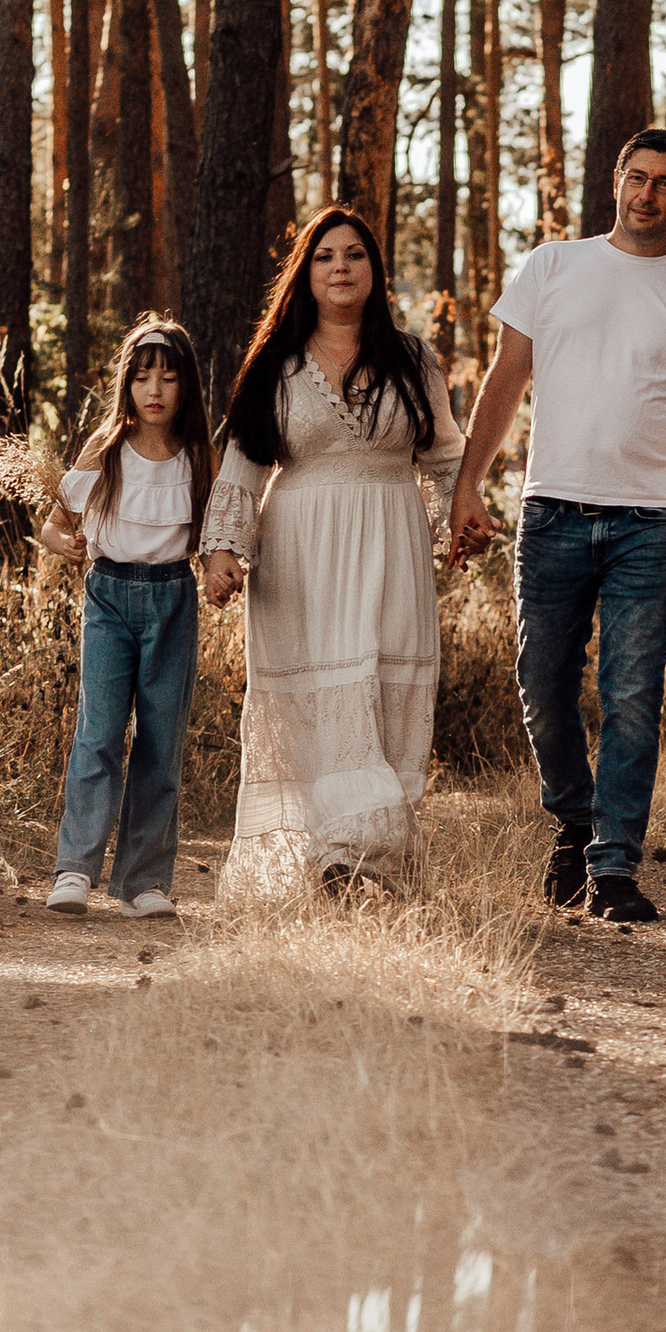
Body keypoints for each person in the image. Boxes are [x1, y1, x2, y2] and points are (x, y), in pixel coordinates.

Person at [449, 126, 666, 924]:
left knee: (629, 694)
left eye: (664, 183)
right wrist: (468, 487)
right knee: (543, 686)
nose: (646, 194)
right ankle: (573, 818)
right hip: (551, 511)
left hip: (649, 525)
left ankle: (614, 865)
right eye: (637, 177)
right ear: (617, 180)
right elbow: (505, 381)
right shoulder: (553, 265)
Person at [200, 205, 466, 895]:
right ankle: (334, 859)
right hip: (300, 554)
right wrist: (223, 549)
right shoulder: (275, 367)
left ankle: (363, 858)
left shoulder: (411, 359)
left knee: (379, 692)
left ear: (375, 272)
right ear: (306, 274)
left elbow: (444, 455)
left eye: (354, 255)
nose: (341, 267)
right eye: (325, 257)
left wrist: (460, 520)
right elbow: (242, 466)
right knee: (318, 700)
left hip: (391, 542)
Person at [38, 315, 210, 917]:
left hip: (173, 599)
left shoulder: (195, 457)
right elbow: (54, 523)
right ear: (127, 385)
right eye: (142, 378)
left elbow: (211, 535)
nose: (155, 390)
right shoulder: (105, 448)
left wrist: (220, 566)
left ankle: (143, 882)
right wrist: (63, 543)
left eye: (167, 378)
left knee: (161, 740)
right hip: (109, 596)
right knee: (100, 733)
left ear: (185, 386)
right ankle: (75, 869)